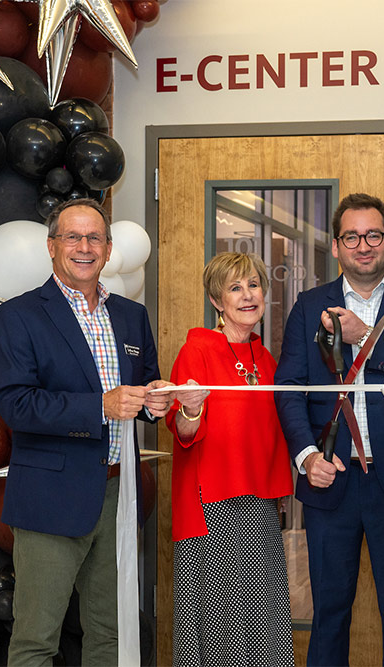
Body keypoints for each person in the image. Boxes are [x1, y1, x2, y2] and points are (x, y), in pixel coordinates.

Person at [0, 199, 171, 665]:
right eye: (73, 236)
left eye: (95, 238)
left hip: (116, 495)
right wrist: (101, 406)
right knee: (36, 639)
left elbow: (143, 391)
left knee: (109, 635)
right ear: (52, 247)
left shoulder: (131, 316)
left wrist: (160, 399)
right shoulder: (20, 316)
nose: (84, 247)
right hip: (51, 496)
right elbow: (15, 403)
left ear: (109, 250)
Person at [274, 193, 384, 666]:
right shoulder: (309, 306)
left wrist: (364, 338)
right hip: (331, 479)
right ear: (336, 245)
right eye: (352, 236)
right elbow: (288, 389)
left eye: (373, 235)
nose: (363, 246)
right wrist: (307, 457)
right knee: (328, 614)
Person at [165, 252, 294, 667]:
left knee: (263, 623)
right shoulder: (197, 351)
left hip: (259, 507)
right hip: (213, 508)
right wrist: (189, 409)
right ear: (217, 301)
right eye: (235, 288)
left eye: (254, 285)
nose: (247, 295)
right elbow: (183, 433)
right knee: (220, 626)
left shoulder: (267, 360)